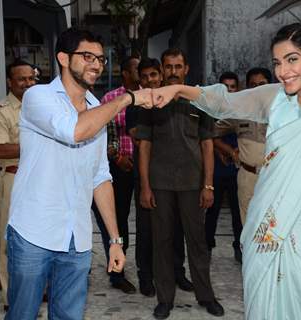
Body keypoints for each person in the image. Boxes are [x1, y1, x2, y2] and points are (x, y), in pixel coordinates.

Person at [152, 23, 301, 319]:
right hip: (265, 225)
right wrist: (179, 89)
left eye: (292, 59)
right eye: (277, 62)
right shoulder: (275, 99)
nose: (283, 71)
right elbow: (224, 102)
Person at [4, 28, 153, 319]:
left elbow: (100, 177)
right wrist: (127, 99)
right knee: (22, 315)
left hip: (77, 239)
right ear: (63, 58)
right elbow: (74, 131)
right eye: (87, 57)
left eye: (100, 58)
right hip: (33, 232)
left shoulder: (98, 108)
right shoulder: (38, 97)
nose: (96, 64)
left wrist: (115, 240)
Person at [137, 48, 224, 319]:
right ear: (162, 70)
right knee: (161, 242)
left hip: (192, 184)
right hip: (160, 184)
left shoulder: (200, 101)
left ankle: (205, 295)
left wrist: (208, 185)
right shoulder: (152, 101)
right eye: (168, 66)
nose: (173, 71)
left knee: (197, 242)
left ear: (186, 69)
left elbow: (207, 145)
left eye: (178, 66)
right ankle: (165, 299)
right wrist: (145, 187)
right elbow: (144, 147)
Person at [127, 57, 190, 297]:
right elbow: (138, 137)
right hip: (146, 176)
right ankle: (146, 276)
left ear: (161, 75)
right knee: (146, 230)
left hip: (173, 176)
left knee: (176, 228)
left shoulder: (170, 98)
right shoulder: (136, 105)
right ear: (139, 80)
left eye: (154, 75)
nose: (150, 80)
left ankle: (178, 272)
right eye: (144, 77)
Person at [0, 60, 37, 309]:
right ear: (10, 82)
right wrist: (39, 145)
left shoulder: (42, 106)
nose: (27, 83)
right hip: (12, 179)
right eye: (21, 79)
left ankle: (36, 288)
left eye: (31, 78)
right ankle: (12, 298)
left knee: (36, 239)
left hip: (39, 180)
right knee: (8, 240)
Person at [92, 56, 140, 294]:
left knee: (142, 219)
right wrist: (117, 157)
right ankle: (117, 273)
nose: (141, 73)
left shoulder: (148, 96)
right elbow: (104, 134)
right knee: (118, 219)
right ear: (125, 74)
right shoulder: (110, 99)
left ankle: (140, 265)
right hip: (118, 168)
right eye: (136, 69)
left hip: (144, 169)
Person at [213, 68, 272, 226]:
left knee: (272, 228)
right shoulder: (239, 111)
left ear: (270, 86)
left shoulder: (281, 110)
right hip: (247, 176)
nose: (257, 89)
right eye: (253, 85)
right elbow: (211, 133)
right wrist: (230, 151)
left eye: (262, 84)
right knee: (248, 227)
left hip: (273, 177)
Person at [205, 72, 242, 262]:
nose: (229, 91)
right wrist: (226, 150)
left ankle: (239, 247)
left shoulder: (243, 109)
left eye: (233, 87)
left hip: (237, 170)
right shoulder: (211, 110)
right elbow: (208, 135)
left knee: (238, 212)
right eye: (225, 87)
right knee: (212, 212)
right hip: (217, 170)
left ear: (238, 89)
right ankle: (207, 247)